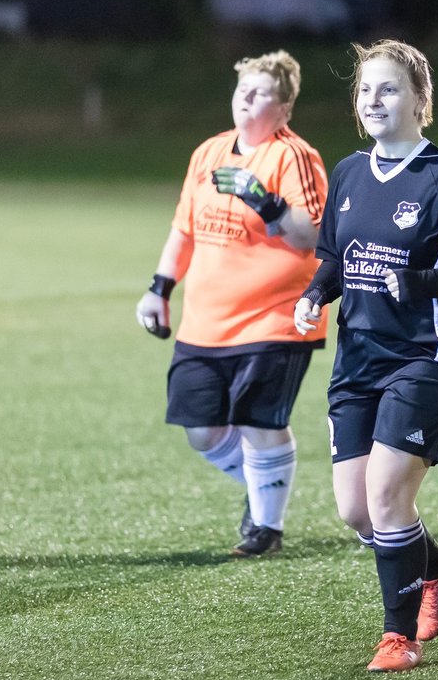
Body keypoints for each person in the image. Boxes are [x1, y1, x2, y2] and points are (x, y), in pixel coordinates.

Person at [294, 40, 438, 672]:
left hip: (426, 357)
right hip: (357, 359)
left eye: (389, 89)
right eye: (366, 90)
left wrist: (419, 283)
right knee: (357, 511)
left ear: (420, 100)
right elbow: (335, 257)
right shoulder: (350, 173)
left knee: (386, 497)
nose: (375, 100)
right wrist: (313, 295)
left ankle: (397, 636)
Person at [136, 50, 328, 558]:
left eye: (261, 91)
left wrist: (264, 200)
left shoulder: (294, 157)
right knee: (201, 430)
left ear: (284, 108)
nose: (246, 98)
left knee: (259, 421)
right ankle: (263, 487)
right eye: (242, 88)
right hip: (206, 321)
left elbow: (312, 237)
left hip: (276, 316)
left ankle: (266, 527)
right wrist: (159, 288)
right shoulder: (209, 153)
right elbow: (184, 229)